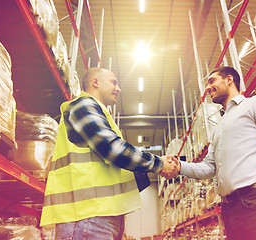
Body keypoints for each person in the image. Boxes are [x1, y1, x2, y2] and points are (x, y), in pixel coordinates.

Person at [40, 67, 178, 239]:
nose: (118, 89)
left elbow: (116, 163)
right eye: (114, 82)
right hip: (87, 216)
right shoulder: (82, 106)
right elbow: (114, 150)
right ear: (95, 82)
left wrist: (158, 164)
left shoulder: (101, 115)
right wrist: (158, 164)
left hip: (99, 215)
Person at [170, 66, 256, 240]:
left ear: (229, 80)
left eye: (212, 81)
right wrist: (179, 166)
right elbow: (209, 168)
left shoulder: (255, 104)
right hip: (229, 209)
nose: (208, 87)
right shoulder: (218, 128)